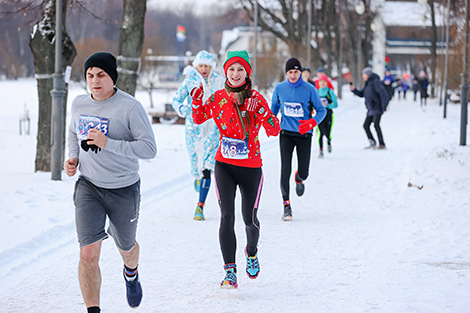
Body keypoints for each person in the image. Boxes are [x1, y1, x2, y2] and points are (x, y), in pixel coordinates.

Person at [63, 52, 157, 313]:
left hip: (124, 188)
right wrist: (72, 157)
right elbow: (73, 130)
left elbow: (149, 149)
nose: (94, 80)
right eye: (90, 75)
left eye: (101, 75)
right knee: (88, 254)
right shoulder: (79, 104)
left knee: (126, 248)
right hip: (89, 186)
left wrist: (109, 144)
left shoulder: (130, 107)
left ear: (112, 77)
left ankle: (131, 273)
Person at [190, 50, 280, 289]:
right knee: (226, 217)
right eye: (231, 69)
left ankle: (251, 252)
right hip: (225, 166)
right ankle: (230, 272)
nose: (236, 73)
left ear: (247, 73)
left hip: (251, 167)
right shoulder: (219, 98)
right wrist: (197, 100)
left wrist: (259, 111)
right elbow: (199, 118)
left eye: (241, 69)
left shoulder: (256, 99)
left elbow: (274, 129)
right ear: (226, 72)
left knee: (249, 220)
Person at [271, 58, 326, 221]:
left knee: (304, 172)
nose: (293, 75)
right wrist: (270, 122)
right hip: (286, 134)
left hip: (304, 134)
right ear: (286, 73)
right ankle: (286, 206)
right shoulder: (280, 88)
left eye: (296, 72)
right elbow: (274, 107)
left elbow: (321, 110)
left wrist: (312, 122)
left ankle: (299, 178)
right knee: (284, 168)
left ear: (300, 72)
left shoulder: (309, 89)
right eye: (290, 72)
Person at [172, 50, 224, 220]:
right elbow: (176, 100)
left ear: (211, 67)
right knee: (197, 165)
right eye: (201, 65)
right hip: (194, 129)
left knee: (208, 167)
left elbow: (225, 100)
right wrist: (185, 110)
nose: (204, 69)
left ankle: (200, 206)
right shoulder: (189, 82)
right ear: (196, 66)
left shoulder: (219, 81)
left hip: (213, 130)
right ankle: (197, 176)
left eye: (207, 66)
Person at [350, 67, 390, 150]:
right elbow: (362, 94)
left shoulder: (376, 82)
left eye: (364, 75)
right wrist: (354, 90)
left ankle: (382, 144)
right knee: (366, 125)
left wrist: (384, 107)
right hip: (371, 109)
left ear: (368, 75)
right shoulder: (368, 83)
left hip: (377, 108)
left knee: (376, 125)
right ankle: (372, 142)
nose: (363, 76)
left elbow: (384, 94)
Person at [316, 74, 338, 158]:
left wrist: (327, 105)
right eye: (321, 81)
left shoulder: (330, 91)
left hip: (328, 114)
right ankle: (321, 151)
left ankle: (329, 141)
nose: (322, 83)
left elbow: (335, 104)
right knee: (321, 133)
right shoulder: (317, 92)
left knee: (328, 133)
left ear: (327, 82)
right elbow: (314, 104)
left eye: (324, 81)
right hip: (319, 116)